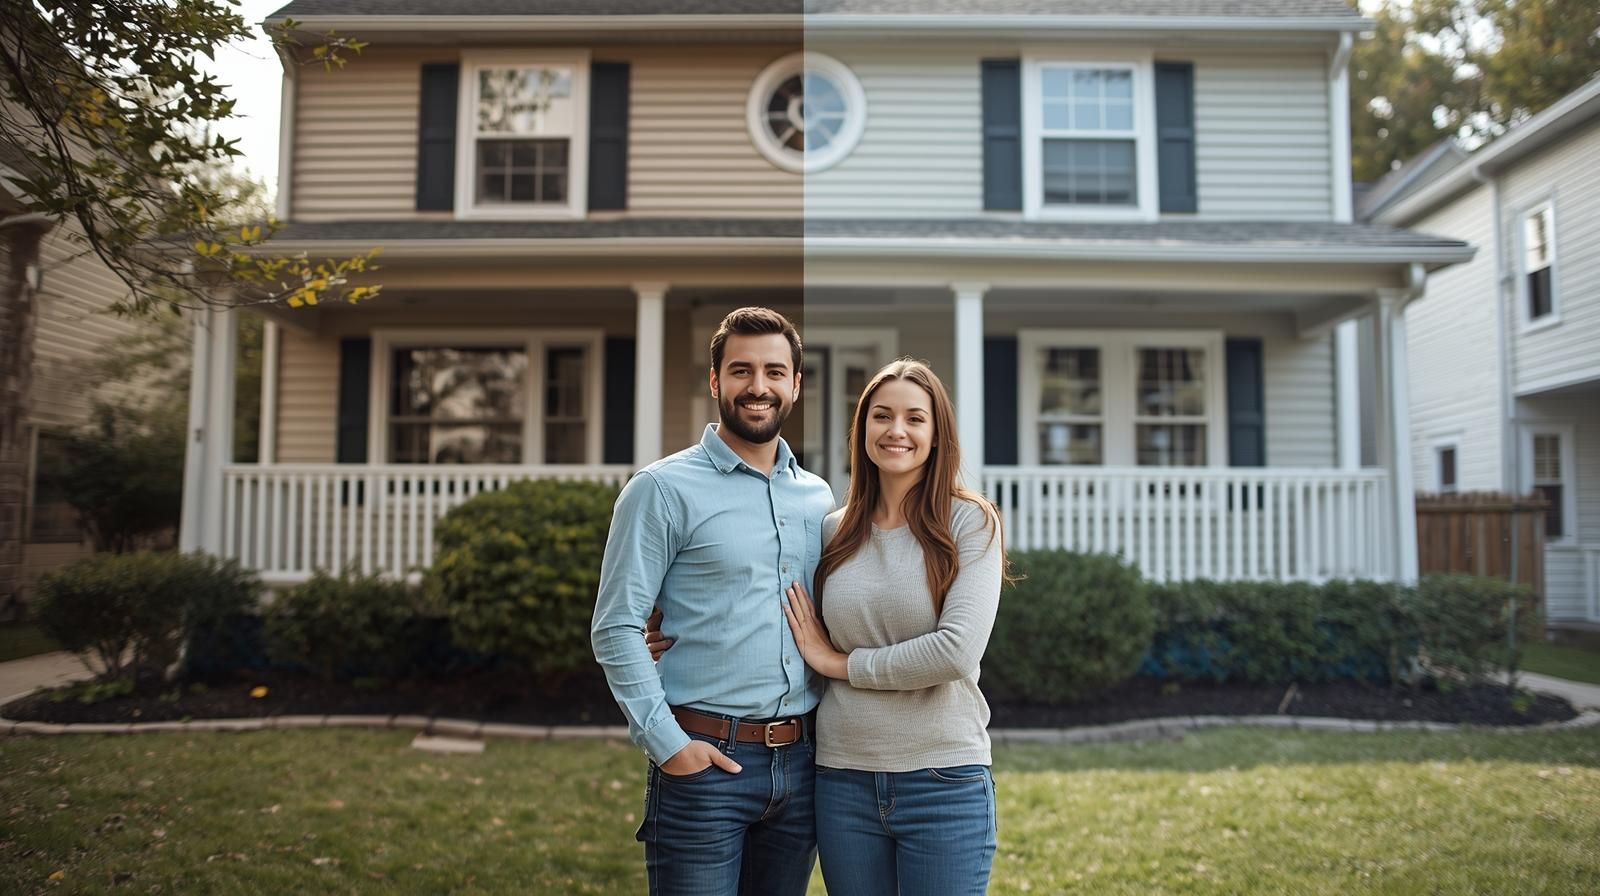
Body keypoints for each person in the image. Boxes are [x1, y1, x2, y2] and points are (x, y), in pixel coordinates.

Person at [590, 306, 834, 896]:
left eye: (775, 372)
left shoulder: (817, 497)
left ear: (796, 385)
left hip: (803, 763)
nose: (759, 387)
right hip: (706, 763)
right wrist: (668, 745)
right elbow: (616, 626)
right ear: (715, 381)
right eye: (741, 371)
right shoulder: (661, 490)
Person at [779, 358, 1005, 896]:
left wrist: (841, 665)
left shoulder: (969, 522)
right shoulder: (833, 530)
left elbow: (955, 652)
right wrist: (668, 622)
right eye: (881, 416)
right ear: (862, 429)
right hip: (842, 779)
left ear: (936, 434)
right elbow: (778, 605)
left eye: (914, 418)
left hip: (943, 779)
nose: (896, 430)